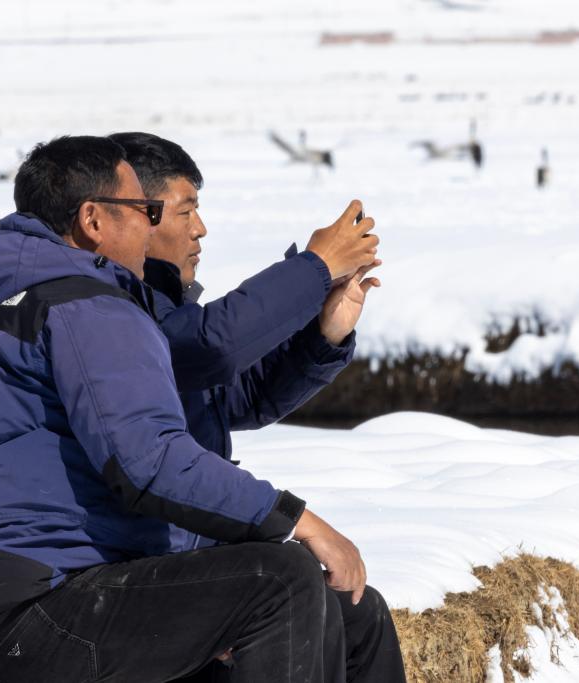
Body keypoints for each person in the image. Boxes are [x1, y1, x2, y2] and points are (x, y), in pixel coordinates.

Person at [0, 135, 402, 682]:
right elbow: (151, 462)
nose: (155, 229)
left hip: (6, 596)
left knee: (350, 614)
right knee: (280, 580)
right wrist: (298, 520)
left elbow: (208, 407)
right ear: (93, 220)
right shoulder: (84, 305)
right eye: (146, 211)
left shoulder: (48, 295)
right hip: (26, 605)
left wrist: (321, 336)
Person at [106, 132, 399, 681]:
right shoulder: (109, 309)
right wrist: (314, 268)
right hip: (130, 570)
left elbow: (236, 397)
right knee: (289, 587)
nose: (200, 228)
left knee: (360, 614)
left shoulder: (162, 305)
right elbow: (208, 348)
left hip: (186, 550)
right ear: (136, 215)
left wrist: (324, 335)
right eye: (186, 210)